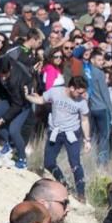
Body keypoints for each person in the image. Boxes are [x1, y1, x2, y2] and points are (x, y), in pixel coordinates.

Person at [26, 76, 92, 204]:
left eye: (83, 92)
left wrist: (87, 140)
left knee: (75, 164)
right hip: (55, 132)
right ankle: (63, 184)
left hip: (71, 133)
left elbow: (84, 120)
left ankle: (81, 193)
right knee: (49, 163)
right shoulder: (56, 92)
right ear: (71, 88)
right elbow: (41, 100)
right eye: (79, 92)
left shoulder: (82, 101)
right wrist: (28, 97)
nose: (82, 95)